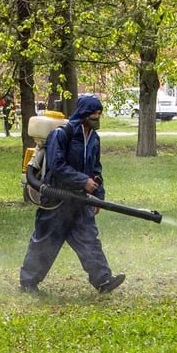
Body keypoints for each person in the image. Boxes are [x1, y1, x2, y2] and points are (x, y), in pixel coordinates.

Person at [19, 94, 126, 295]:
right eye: (94, 113)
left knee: (89, 239)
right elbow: (57, 166)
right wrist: (82, 181)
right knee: (45, 241)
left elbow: (96, 170)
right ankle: (28, 283)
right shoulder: (62, 134)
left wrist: (98, 198)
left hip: (80, 200)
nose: (97, 116)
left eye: (100, 113)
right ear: (84, 113)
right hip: (56, 199)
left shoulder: (94, 139)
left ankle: (103, 280)